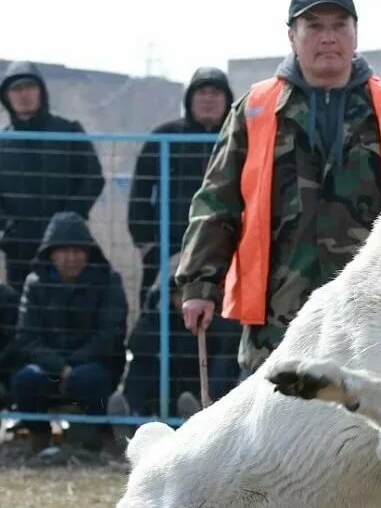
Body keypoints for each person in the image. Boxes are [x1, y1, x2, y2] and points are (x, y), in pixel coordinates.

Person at [176, 0, 381, 508]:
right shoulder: (256, 106)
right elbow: (218, 202)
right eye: (313, 25)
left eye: (338, 24)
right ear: (292, 35)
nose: (327, 38)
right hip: (279, 307)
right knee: (271, 442)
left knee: (377, 441)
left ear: (354, 32)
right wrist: (200, 282)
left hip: (377, 315)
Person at [10, 212, 127, 453]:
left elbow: (110, 334)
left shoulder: (109, 281)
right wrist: (58, 367)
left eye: (78, 251)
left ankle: (102, 439)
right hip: (50, 369)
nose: (70, 258)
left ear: (89, 253)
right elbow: (27, 337)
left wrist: (72, 366)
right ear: (50, 254)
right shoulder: (35, 283)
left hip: (93, 365)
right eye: (63, 251)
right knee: (25, 380)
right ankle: (39, 439)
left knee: (90, 379)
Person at [128, 68, 234, 306]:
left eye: (216, 92)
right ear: (189, 98)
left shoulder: (239, 137)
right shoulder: (165, 136)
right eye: (202, 92)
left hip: (227, 246)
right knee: (159, 316)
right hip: (168, 247)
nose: (208, 98)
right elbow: (140, 194)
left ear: (227, 99)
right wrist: (146, 244)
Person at [0, 62, 105, 292]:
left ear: (41, 91)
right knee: (20, 311)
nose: (23, 94)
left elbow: (93, 178)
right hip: (19, 245)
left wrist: (69, 218)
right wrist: (7, 224)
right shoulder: (3, 141)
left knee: (65, 308)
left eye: (29, 87)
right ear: (6, 97)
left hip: (65, 246)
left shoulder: (68, 132)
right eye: (16, 89)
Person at [108, 265, 241, 429]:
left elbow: (230, 343)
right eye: (180, 295)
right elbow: (136, 343)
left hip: (200, 385)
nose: (186, 300)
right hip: (169, 387)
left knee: (225, 362)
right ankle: (131, 419)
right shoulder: (162, 317)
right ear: (171, 298)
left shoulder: (219, 320)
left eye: (193, 294)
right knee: (143, 362)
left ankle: (202, 416)